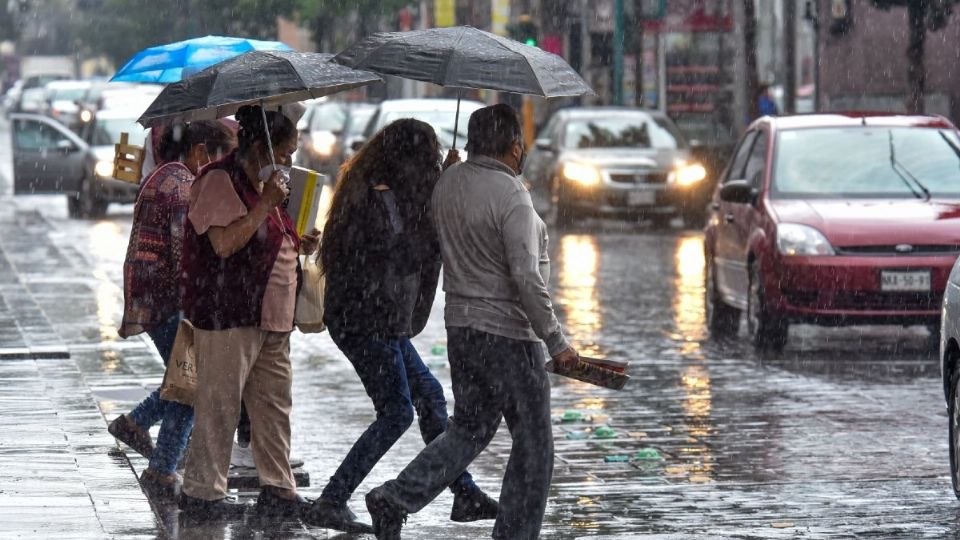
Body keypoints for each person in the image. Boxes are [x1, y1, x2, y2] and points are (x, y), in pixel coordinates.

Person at [364, 104, 579, 540]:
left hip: (462, 331)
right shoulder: (512, 195)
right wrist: (555, 340)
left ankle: (396, 497)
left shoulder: (447, 185)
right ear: (515, 146)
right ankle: (515, 534)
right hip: (509, 336)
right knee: (535, 445)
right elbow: (526, 276)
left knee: (468, 430)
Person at [305, 119, 498, 534]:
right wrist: (437, 205)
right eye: (427, 156)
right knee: (396, 413)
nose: (431, 164)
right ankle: (333, 499)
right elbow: (403, 254)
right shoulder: (377, 198)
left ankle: (463, 493)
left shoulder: (388, 192)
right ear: (407, 159)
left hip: (379, 320)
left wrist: (443, 183)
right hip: (364, 321)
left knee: (429, 396)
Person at [178, 104, 320, 520]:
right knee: (220, 406)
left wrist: (298, 243)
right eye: (286, 152)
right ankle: (203, 493)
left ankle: (278, 488)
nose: (291, 160)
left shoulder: (268, 186)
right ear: (262, 147)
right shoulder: (220, 181)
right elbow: (224, 244)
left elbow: (268, 236)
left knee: (274, 408)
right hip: (229, 312)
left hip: (273, 318)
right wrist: (266, 204)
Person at [109, 120, 237, 498]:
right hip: (169, 300)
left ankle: (136, 424)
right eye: (217, 158)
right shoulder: (181, 186)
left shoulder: (162, 175)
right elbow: (186, 254)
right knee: (191, 383)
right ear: (199, 152)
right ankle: (162, 466)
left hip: (153, 296)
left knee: (184, 377)